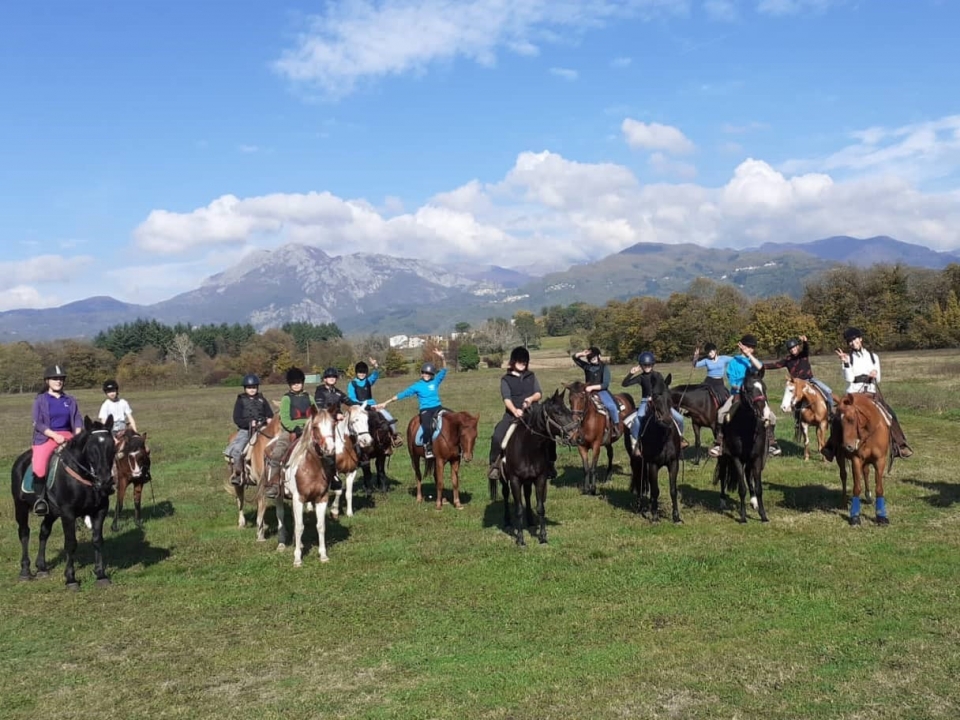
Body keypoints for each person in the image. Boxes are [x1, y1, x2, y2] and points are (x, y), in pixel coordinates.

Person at [822, 327, 913, 460]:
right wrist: (846, 363)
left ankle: (899, 445)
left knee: (890, 414)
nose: (853, 343)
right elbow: (849, 379)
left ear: (860, 339)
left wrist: (874, 375)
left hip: (871, 393)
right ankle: (831, 447)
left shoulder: (873, 357)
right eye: (850, 341)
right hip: (854, 395)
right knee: (838, 417)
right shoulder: (848, 358)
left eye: (854, 339)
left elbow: (879, 378)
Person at [708, 334, 781, 458]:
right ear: (742, 347)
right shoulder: (733, 362)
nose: (751, 349)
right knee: (721, 414)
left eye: (752, 348)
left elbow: (761, 368)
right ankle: (719, 443)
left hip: (753, 395)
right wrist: (741, 388)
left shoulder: (752, 361)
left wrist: (749, 355)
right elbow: (732, 381)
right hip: (738, 394)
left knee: (771, 417)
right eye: (748, 347)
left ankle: (770, 443)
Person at [30, 364, 83, 515]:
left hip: (69, 435)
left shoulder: (70, 400)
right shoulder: (40, 400)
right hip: (47, 437)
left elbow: (77, 418)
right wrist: (54, 435)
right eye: (55, 379)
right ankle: (40, 499)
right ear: (47, 381)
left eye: (61, 379)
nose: (58, 381)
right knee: (39, 467)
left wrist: (78, 433)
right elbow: (37, 422)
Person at [487, 346, 546, 483]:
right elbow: (506, 399)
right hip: (512, 414)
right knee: (498, 436)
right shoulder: (506, 379)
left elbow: (538, 393)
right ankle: (494, 465)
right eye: (520, 361)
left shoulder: (531, 376)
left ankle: (550, 462)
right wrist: (515, 411)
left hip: (532, 413)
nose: (523, 364)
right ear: (513, 362)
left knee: (548, 432)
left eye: (525, 362)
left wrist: (531, 399)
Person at [377, 349, 446, 459]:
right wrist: (386, 402)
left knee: (453, 418)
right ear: (421, 373)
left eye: (428, 373)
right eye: (424, 373)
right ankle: (428, 447)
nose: (426, 375)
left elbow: (444, 370)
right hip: (426, 409)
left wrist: (442, 358)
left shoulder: (435, 381)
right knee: (427, 427)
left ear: (432, 374)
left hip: (438, 407)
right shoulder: (417, 386)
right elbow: (402, 394)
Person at [273, 366, 330, 491]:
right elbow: (285, 418)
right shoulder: (286, 398)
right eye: (293, 383)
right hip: (291, 431)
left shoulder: (309, 397)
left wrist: (313, 425)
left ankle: (332, 477)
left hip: (309, 430)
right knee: (277, 453)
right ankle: (274, 483)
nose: (296, 385)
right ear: (289, 384)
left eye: (298, 382)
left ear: (302, 383)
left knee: (327, 448)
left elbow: (316, 413)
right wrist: (295, 427)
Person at [622, 351, 688, 455]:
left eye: (649, 365)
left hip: (659, 401)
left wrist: (655, 397)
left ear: (652, 364)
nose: (647, 367)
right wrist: (631, 373)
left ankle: (680, 439)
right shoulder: (641, 377)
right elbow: (624, 384)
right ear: (641, 366)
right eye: (644, 365)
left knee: (679, 418)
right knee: (638, 420)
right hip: (645, 401)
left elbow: (661, 388)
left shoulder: (658, 375)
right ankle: (635, 443)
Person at [223, 374, 274, 486]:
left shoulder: (262, 399)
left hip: (263, 428)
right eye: (249, 388)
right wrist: (249, 423)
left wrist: (269, 419)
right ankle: (238, 473)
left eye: (254, 387)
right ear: (245, 388)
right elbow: (237, 418)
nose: (252, 390)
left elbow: (269, 413)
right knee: (238, 449)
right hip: (246, 430)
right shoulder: (241, 400)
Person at [762, 335, 834, 413]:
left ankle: (831, 412)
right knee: (794, 400)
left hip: (809, 380)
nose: (792, 350)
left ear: (797, 347)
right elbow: (776, 365)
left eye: (794, 347)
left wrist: (805, 342)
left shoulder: (803, 355)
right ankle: (797, 420)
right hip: (796, 384)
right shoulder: (788, 359)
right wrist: (762, 366)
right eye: (790, 349)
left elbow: (806, 348)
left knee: (827, 391)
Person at [348, 358, 402, 447]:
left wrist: (375, 366)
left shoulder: (368, 381)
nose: (362, 374)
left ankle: (393, 437)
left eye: (363, 372)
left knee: (388, 418)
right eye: (360, 372)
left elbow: (377, 374)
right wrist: (363, 406)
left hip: (373, 405)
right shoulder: (352, 384)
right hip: (359, 408)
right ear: (356, 373)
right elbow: (352, 398)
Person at [572, 346, 620, 435]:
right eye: (590, 357)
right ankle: (575, 429)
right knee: (576, 406)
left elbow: (605, 384)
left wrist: (592, 387)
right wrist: (582, 354)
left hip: (601, 391)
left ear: (599, 356)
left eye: (594, 356)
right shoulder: (587, 366)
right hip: (587, 392)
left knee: (611, 407)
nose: (592, 359)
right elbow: (574, 358)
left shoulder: (604, 368)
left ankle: (615, 427)